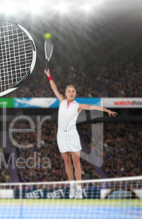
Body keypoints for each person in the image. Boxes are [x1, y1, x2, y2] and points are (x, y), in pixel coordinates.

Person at [44, 69, 117, 199]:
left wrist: (107, 110)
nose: (71, 93)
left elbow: (94, 107)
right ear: (65, 93)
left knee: (76, 161)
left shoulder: (79, 105)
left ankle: (78, 187)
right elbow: (54, 88)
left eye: (73, 91)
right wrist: (49, 76)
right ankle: (72, 186)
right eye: (69, 91)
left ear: (75, 94)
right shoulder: (61, 101)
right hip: (61, 135)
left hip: (72, 135)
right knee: (66, 161)